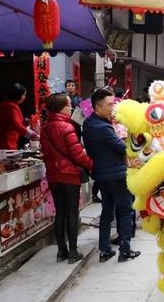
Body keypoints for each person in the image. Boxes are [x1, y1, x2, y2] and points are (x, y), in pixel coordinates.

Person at [82, 88, 140, 263]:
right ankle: (125, 250)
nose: (113, 107)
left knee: (107, 212)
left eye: (114, 103)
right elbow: (121, 147)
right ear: (98, 107)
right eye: (109, 104)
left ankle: (105, 250)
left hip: (102, 175)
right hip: (115, 175)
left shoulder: (90, 123)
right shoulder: (102, 127)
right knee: (125, 211)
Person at [40, 94, 93, 263]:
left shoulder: (46, 128)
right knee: (71, 213)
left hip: (54, 175)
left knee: (60, 213)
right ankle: (73, 252)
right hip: (69, 175)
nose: (71, 107)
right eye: (69, 104)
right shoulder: (66, 127)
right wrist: (91, 164)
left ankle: (61, 251)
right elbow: (77, 154)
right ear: (61, 107)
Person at [0, 83, 38, 155]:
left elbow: (11, 122)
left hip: (5, 141)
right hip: (4, 143)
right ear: (17, 95)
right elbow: (16, 125)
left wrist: (25, 121)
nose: (24, 97)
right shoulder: (10, 106)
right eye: (23, 95)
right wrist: (33, 135)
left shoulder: (8, 104)